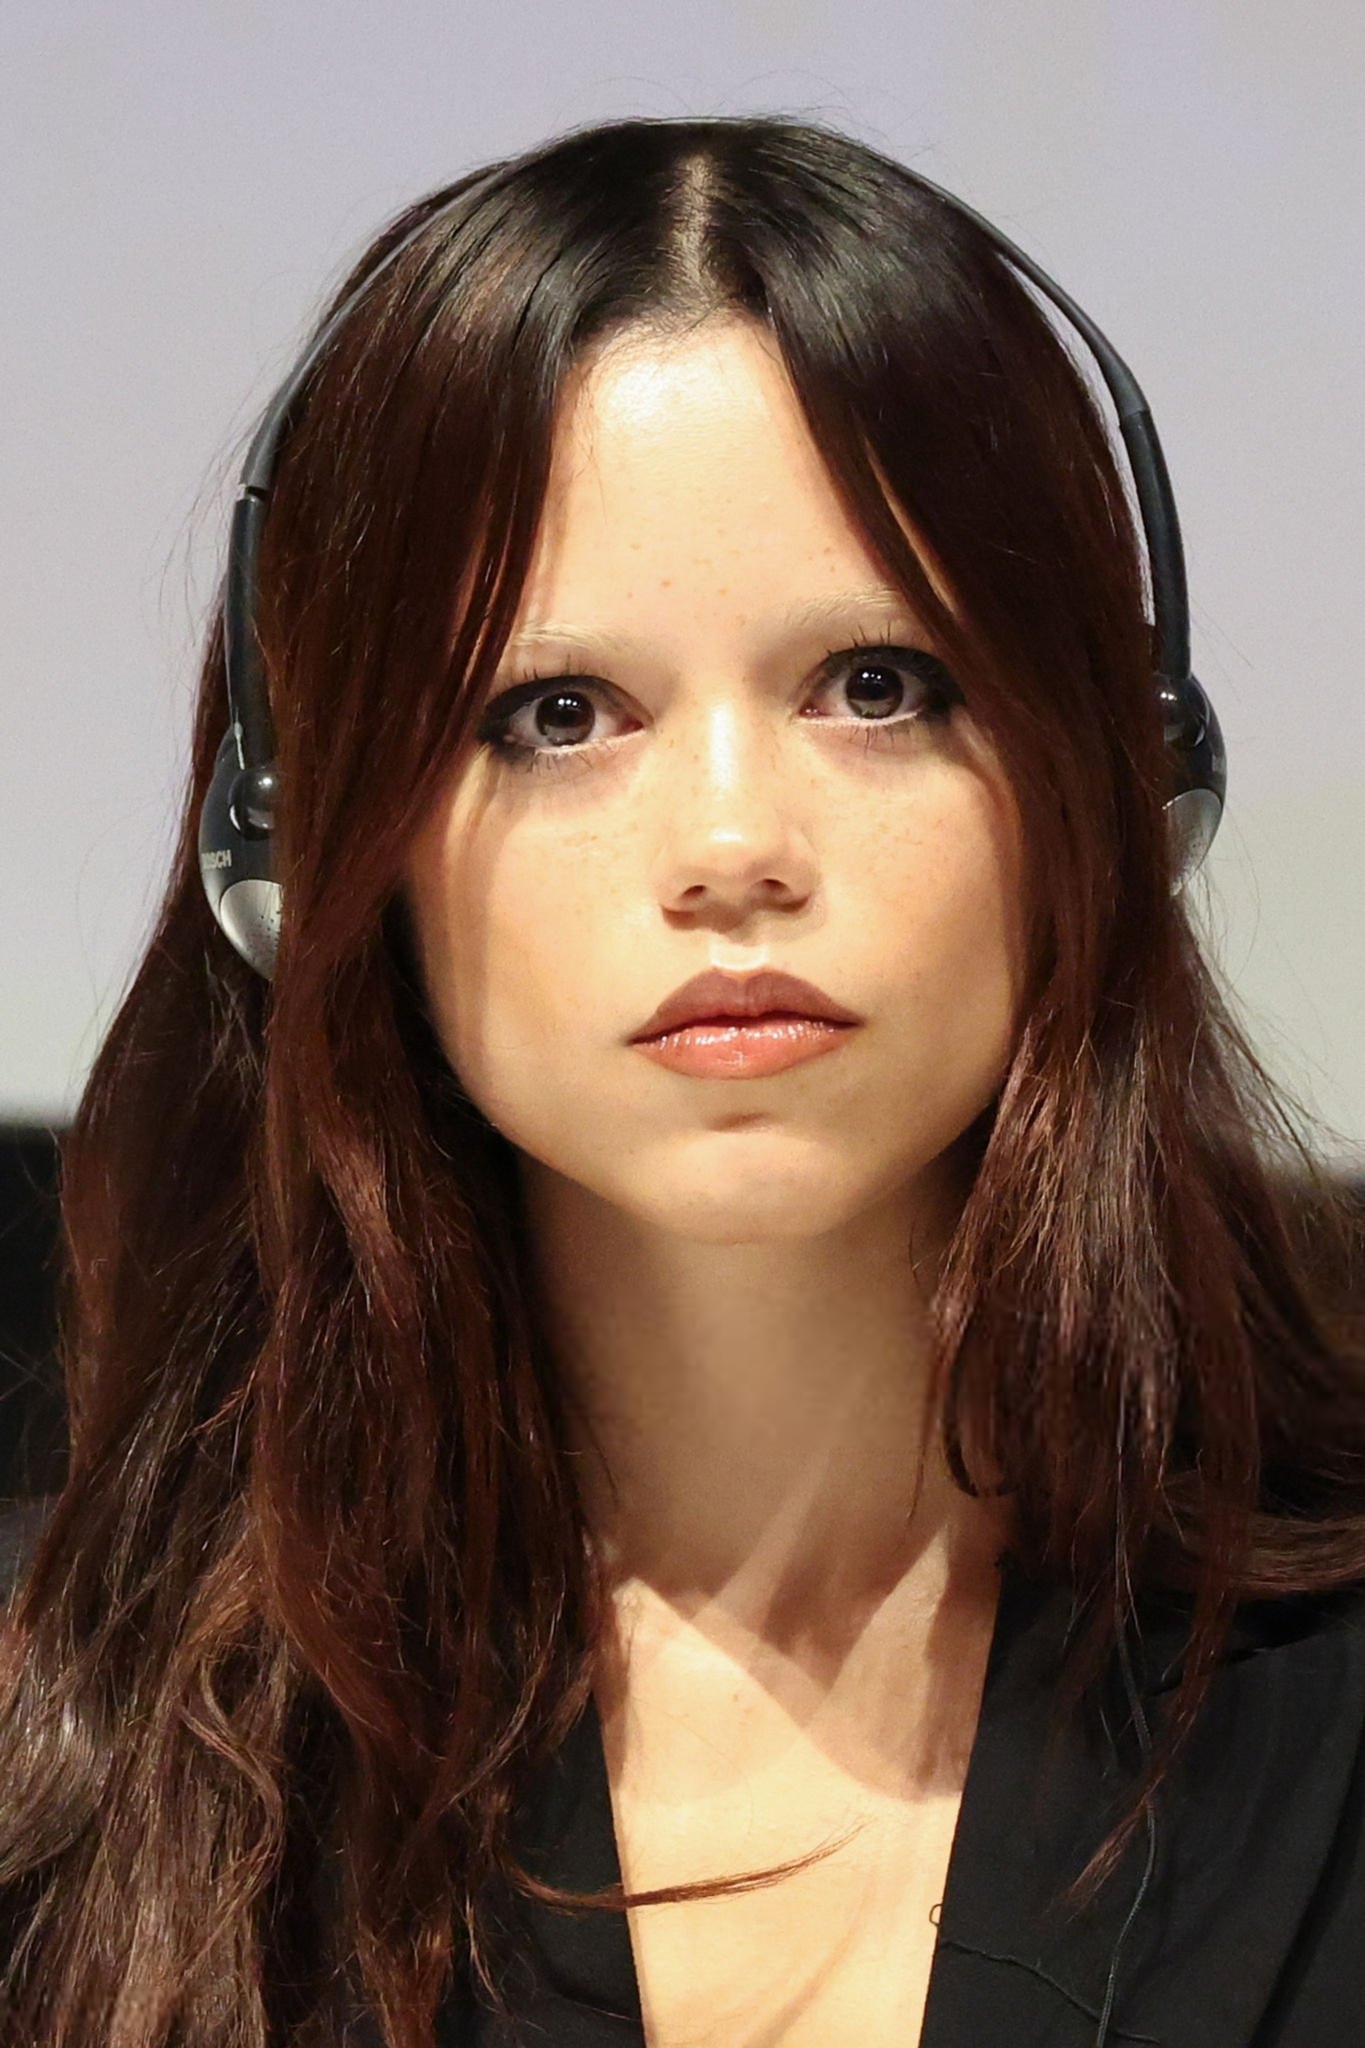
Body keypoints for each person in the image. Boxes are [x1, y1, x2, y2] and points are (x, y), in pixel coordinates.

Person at [0, 113, 1361, 2048]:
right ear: (301, 851)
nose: (732, 847)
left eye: (876, 684)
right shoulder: (92, 1775)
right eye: (556, 713)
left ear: (1116, 786)